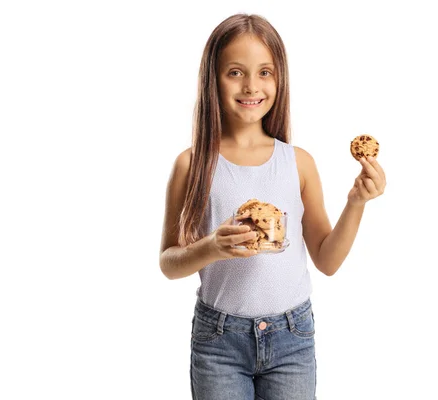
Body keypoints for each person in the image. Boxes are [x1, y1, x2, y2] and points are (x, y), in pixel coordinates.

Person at [159, 13, 386, 400]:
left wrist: (356, 203)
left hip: (291, 337)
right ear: (212, 78)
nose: (251, 85)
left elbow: (327, 261)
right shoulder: (192, 163)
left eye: (265, 72)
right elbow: (169, 263)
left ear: (280, 78)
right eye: (235, 72)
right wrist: (212, 247)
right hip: (219, 342)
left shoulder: (298, 163)